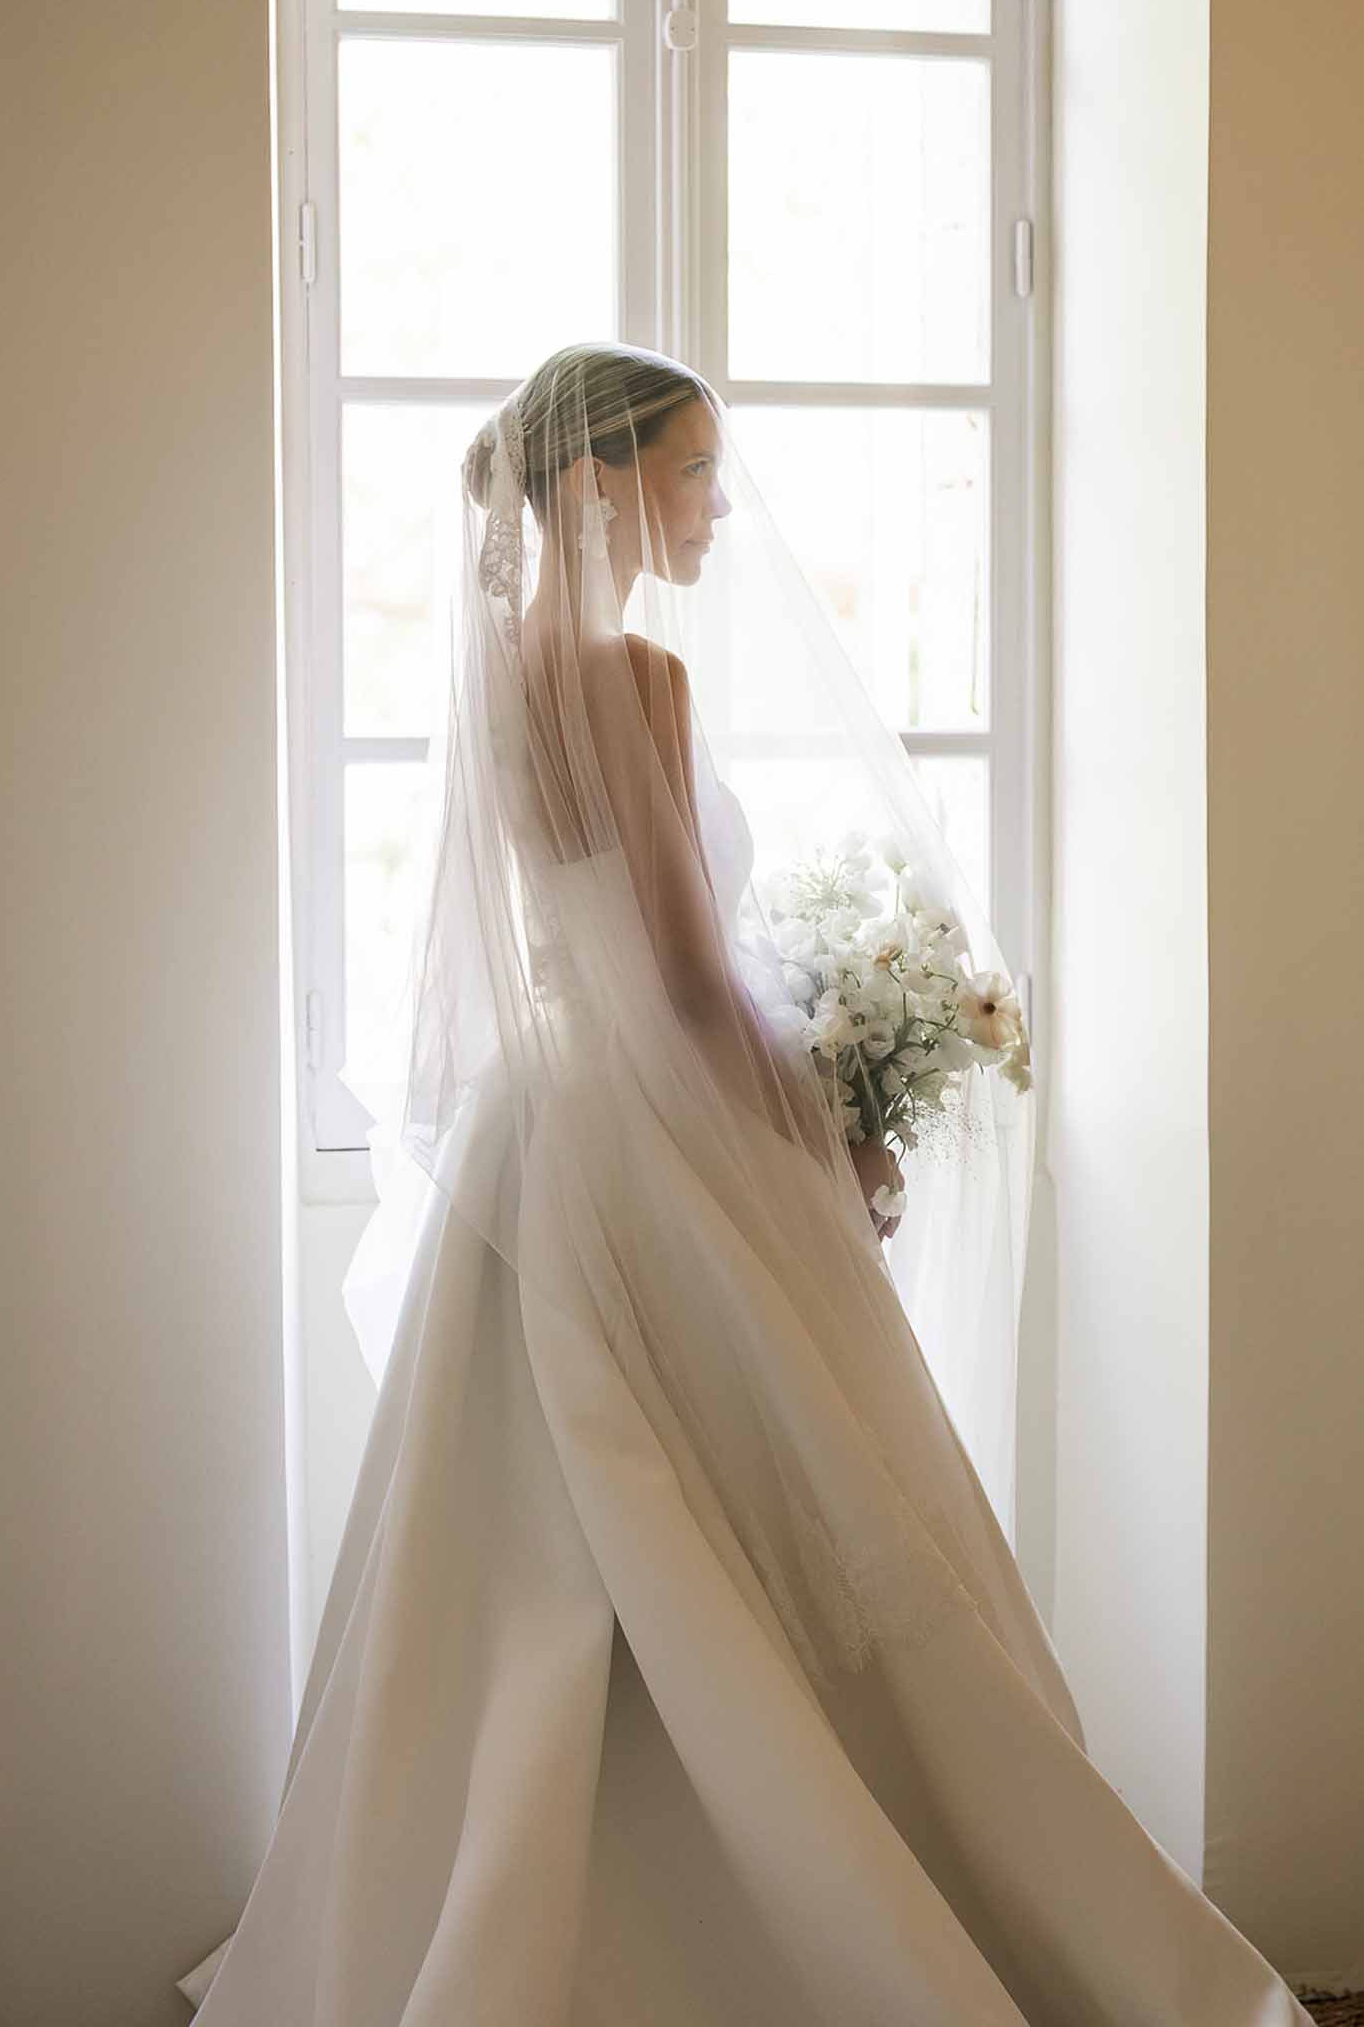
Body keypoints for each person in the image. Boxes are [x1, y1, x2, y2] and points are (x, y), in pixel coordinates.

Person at [180, 343, 1312, 2024]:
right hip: (655, 1146)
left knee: (526, 1556)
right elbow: (697, 984)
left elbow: (580, 965)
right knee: (771, 1523)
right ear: (599, 483)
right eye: (694, 470)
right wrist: (829, 1129)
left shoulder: (492, 681)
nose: (717, 505)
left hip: (538, 1141)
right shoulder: (634, 682)